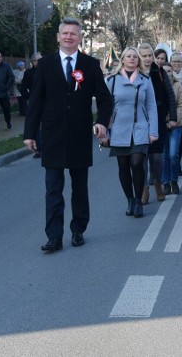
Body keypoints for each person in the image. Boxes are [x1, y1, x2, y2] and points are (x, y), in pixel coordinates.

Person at [23, 17, 114, 252]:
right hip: (52, 135)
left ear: (80, 37)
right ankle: (54, 236)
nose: (69, 37)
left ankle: (78, 230)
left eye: (73, 33)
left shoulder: (90, 64)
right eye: (65, 33)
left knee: (79, 187)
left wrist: (102, 122)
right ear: (58, 37)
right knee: (53, 189)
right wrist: (29, 133)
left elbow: (105, 99)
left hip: (79, 135)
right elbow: (35, 101)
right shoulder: (45, 65)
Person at [102, 47, 158, 219]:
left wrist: (153, 130)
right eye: (129, 56)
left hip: (140, 128)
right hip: (119, 129)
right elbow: (105, 108)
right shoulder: (111, 81)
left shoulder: (145, 80)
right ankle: (130, 200)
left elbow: (151, 106)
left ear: (138, 60)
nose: (132, 59)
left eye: (135, 56)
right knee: (123, 166)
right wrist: (104, 132)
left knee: (137, 163)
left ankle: (139, 201)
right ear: (123, 60)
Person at [137, 43, 176, 204]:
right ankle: (144, 188)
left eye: (149, 55)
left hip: (158, 118)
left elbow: (170, 94)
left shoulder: (158, 71)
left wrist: (172, 116)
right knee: (142, 156)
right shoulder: (134, 71)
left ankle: (158, 183)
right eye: (144, 55)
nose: (147, 59)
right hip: (139, 119)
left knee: (157, 156)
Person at [161, 63, 182, 194]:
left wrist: (174, 120)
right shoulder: (158, 86)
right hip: (162, 126)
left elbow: (181, 104)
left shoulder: (177, 85)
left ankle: (174, 181)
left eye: (170, 71)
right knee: (164, 156)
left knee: (173, 154)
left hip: (176, 125)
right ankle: (165, 183)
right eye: (165, 71)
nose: (168, 73)